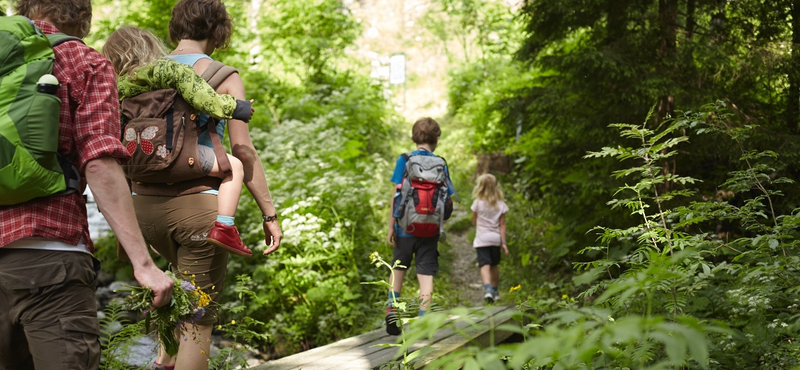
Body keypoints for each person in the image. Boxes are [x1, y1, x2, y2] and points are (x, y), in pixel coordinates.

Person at [0, 1, 174, 369]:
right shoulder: (84, 61)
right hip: (52, 259)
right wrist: (143, 265)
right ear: (82, 17)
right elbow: (98, 162)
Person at [130, 0, 283, 368]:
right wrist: (269, 213)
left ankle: (163, 362)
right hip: (198, 212)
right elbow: (243, 150)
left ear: (175, 27)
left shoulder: (146, 72)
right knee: (197, 324)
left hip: (143, 210)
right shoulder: (223, 74)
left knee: (175, 297)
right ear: (218, 30)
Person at [102, 26, 254, 256]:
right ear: (150, 45)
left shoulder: (118, 87)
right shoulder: (170, 70)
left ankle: (127, 237)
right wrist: (239, 108)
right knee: (234, 168)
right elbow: (205, 99)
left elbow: (114, 129)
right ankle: (224, 227)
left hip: (139, 167)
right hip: (181, 156)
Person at [385, 117, 454, 336]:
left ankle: (392, 312)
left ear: (415, 137)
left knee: (398, 268)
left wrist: (391, 226)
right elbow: (448, 198)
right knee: (426, 275)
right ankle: (424, 321)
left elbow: (396, 196)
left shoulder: (404, 160)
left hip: (406, 228)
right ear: (437, 139)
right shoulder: (441, 163)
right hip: (431, 230)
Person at [470, 173, 509, 304]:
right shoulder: (501, 204)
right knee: (494, 265)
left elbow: (474, 221)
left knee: (484, 265)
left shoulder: (477, 203)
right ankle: (496, 291)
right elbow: (502, 225)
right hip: (495, 239)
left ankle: (487, 290)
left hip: (482, 239)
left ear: (480, 187)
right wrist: (504, 243)